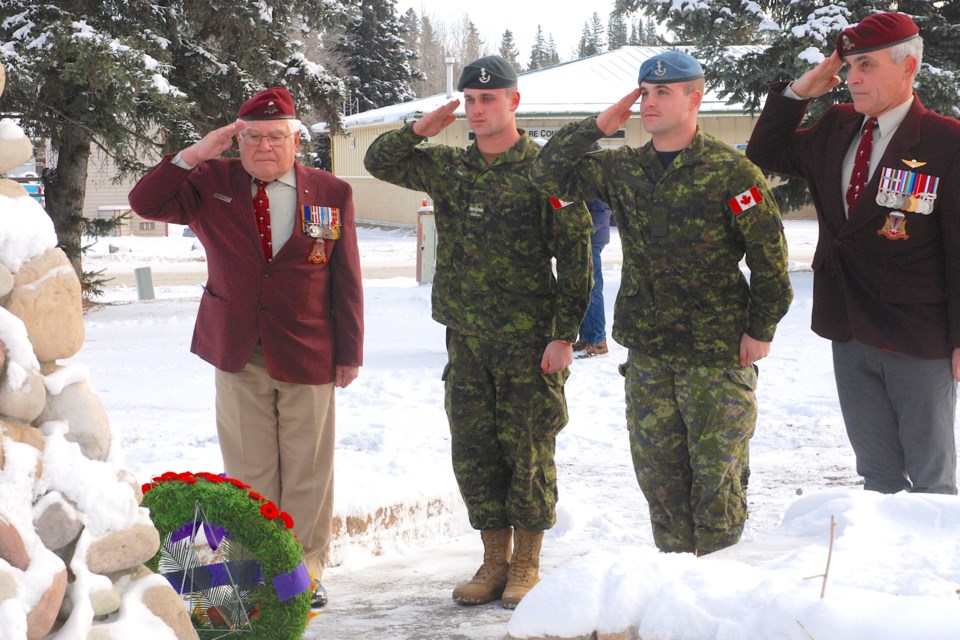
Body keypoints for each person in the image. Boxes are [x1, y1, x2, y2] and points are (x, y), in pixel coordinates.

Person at [533, 51, 793, 555]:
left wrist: (760, 330)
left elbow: (770, 261)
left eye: (662, 93)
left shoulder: (731, 172)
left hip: (717, 355)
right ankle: (673, 591)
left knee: (716, 484)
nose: (648, 103)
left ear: (694, 99)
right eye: (644, 93)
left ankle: (715, 600)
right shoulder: (624, 168)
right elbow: (546, 175)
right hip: (650, 354)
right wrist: (598, 124)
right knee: (660, 483)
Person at [364, 55, 592, 608]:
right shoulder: (449, 167)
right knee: (474, 451)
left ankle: (528, 564)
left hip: (528, 343)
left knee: (529, 449)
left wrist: (564, 336)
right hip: (465, 340)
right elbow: (378, 161)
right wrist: (420, 128)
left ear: (514, 101)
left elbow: (578, 257)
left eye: (488, 99)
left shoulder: (546, 172)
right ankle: (494, 560)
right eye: (469, 100)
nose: (476, 109)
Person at [128, 87, 364, 607]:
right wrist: (195, 153)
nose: (264, 146)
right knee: (250, 467)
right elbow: (144, 201)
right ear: (238, 139)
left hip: (309, 346)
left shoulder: (331, 191)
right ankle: (260, 565)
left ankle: (302, 573)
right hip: (236, 348)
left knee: (308, 467)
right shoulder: (210, 182)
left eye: (276, 136)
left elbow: (345, 277)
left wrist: (350, 351)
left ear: (295, 139)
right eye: (252, 136)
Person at [746, 12, 960, 495]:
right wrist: (802, 90)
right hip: (848, 326)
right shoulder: (837, 125)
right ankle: (878, 567)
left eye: (865, 65)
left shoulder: (947, 141)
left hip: (917, 336)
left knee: (932, 478)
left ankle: (932, 568)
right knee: (877, 474)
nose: (851, 79)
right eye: (848, 66)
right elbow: (764, 156)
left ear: (907, 69)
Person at [573, 198, 612, 358]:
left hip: (592, 241)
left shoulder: (594, 181)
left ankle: (598, 341)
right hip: (582, 241)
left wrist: (582, 233)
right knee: (583, 289)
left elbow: (602, 213)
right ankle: (586, 337)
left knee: (593, 290)